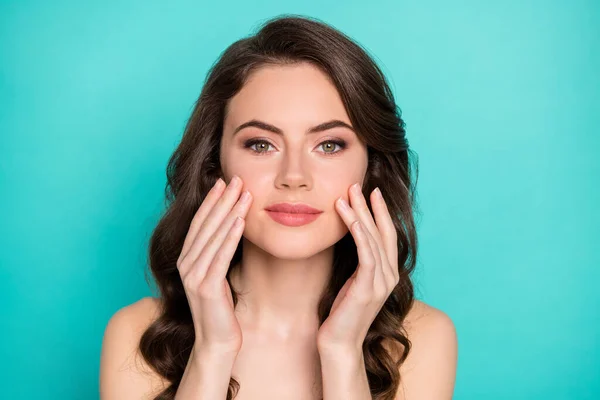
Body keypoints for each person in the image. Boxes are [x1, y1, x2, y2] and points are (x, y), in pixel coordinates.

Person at [99, 14, 457, 400]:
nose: (294, 175)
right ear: (214, 164)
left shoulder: (424, 338)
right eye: (261, 144)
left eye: (330, 145)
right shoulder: (136, 334)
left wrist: (342, 352)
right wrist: (213, 350)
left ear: (372, 167)